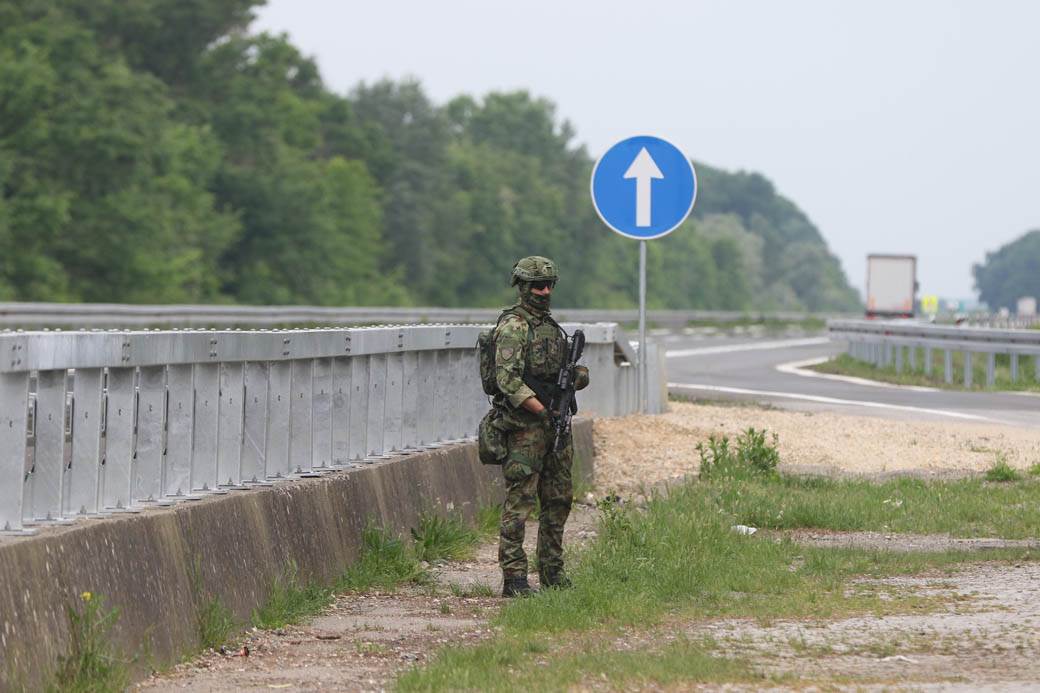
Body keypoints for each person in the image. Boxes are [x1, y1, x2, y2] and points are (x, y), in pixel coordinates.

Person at [489, 256, 589, 597]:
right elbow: (508, 381)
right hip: (525, 430)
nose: (544, 292)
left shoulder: (552, 328)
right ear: (522, 287)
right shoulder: (513, 327)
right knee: (520, 502)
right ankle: (514, 578)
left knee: (558, 500)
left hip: (555, 426)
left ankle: (552, 571)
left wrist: (576, 378)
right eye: (537, 286)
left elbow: (563, 373)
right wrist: (543, 411)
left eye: (549, 286)